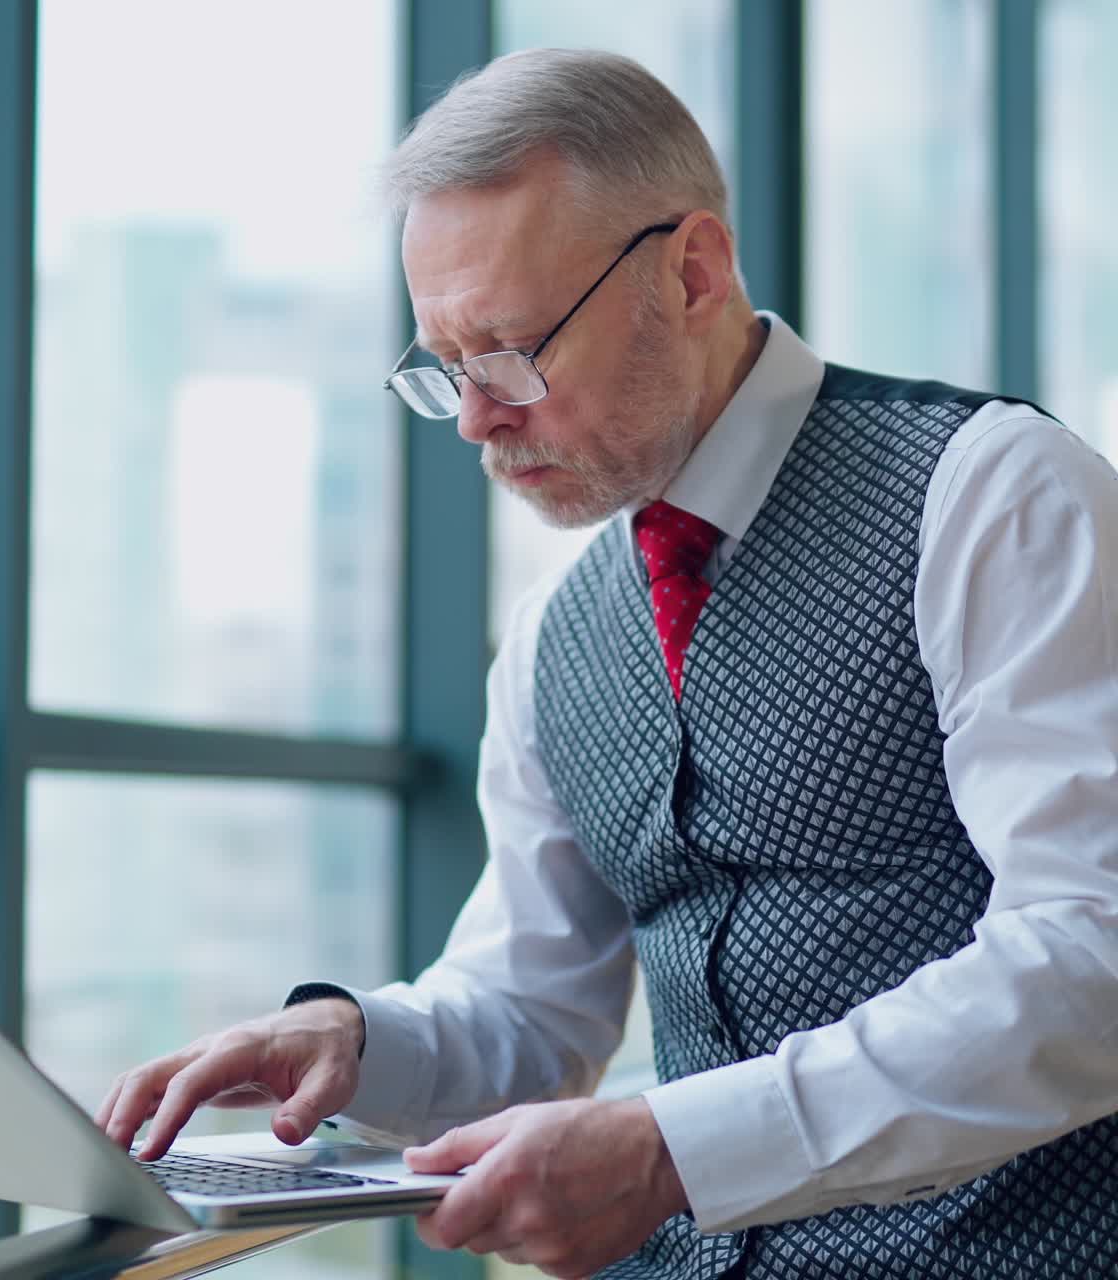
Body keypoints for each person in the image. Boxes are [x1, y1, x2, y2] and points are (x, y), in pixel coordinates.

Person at [97, 49, 1118, 1279]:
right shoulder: (550, 637)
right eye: (445, 368)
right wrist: (351, 1038)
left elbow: (1089, 953)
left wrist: (670, 1149)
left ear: (691, 272)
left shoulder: (988, 492)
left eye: (513, 351)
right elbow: (530, 1010)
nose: (475, 417)